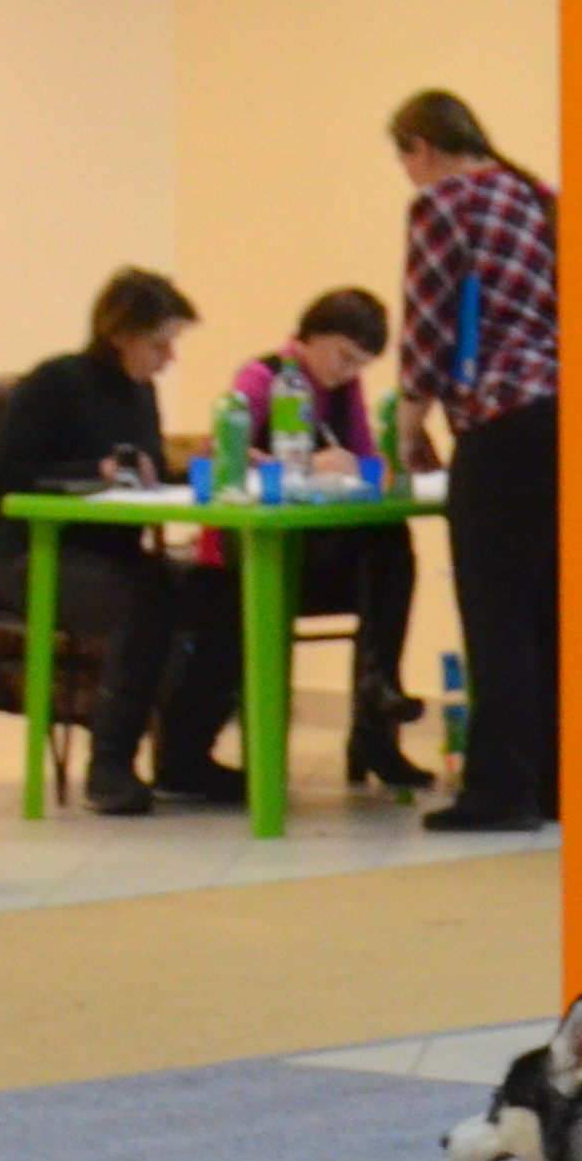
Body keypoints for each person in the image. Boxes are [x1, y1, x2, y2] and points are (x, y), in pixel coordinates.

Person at [0, 267, 237, 816]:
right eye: (160, 344)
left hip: (113, 556)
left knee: (222, 592)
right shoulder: (55, 383)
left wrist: (198, 467)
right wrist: (89, 472)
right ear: (121, 334)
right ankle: (110, 767)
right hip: (34, 555)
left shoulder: (140, 393)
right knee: (146, 602)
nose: (169, 358)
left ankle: (184, 758)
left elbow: (142, 475)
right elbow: (2, 480)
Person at [166, 289, 432, 795]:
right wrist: (304, 465)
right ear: (313, 337)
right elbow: (219, 455)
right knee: (382, 556)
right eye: (343, 356)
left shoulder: (344, 391)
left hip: (313, 548)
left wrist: (373, 466)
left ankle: (377, 703)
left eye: (360, 364)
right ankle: (376, 702)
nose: (348, 371)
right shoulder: (263, 377)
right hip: (250, 551)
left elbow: (364, 455)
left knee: (389, 540)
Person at [392, 90, 560, 832]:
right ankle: (556, 781)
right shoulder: (536, 195)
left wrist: (408, 422)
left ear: (422, 148)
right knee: (547, 611)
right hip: (566, 414)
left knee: (496, 615)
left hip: (500, 420)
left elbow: (428, 321)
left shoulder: (445, 204)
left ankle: (499, 791)